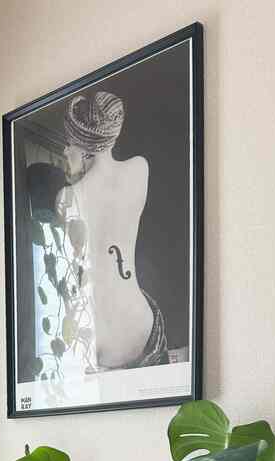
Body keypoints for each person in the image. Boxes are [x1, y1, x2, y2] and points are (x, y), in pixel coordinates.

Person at [58, 90, 168, 369]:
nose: (64, 150)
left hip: (95, 343)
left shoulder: (66, 197)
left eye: (68, 142)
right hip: (140, 327)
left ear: (85, 147)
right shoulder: (139, 169)